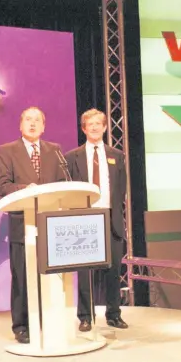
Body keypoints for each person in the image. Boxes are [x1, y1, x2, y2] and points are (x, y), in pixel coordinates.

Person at [0, 107, 66, 344]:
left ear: (43, 127)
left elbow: (64, 182)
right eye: (28, 120)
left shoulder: (54, 151)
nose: (32, 124)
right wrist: (25, 189)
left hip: (51, 225)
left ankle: (48, 319)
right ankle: (22, 325)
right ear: (20, 125)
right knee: (23, 277)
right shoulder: (7, 151)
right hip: (21, 224)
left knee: (50, 275)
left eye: (37, 120)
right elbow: (1, 185)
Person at [64, 108, 129, 332]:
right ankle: (85, 316)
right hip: (84, 221)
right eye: (89, 124)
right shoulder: (72, 157)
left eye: (98, 123)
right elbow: (69, 188)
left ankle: (113, 314)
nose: (93, 127)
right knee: (85, 273)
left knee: (113, 270)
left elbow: (121, 189)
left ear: (104, 127)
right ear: (83, 128)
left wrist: (111, 211)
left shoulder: (116, 155)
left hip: (110, 219)